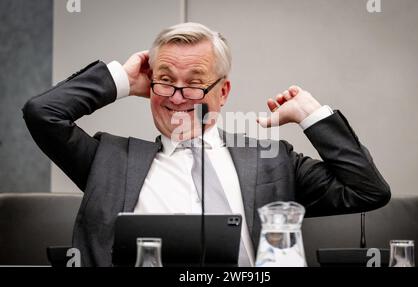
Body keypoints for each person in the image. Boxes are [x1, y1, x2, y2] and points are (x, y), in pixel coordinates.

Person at [22, 22, 390, 267]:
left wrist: (310, 114)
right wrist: (120, 79)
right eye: (165, 80)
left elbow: (366, 191)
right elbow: (43, 114)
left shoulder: (271, 160)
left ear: (223, 91)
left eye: (195, 83)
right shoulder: (108, 160)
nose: (178, 97)